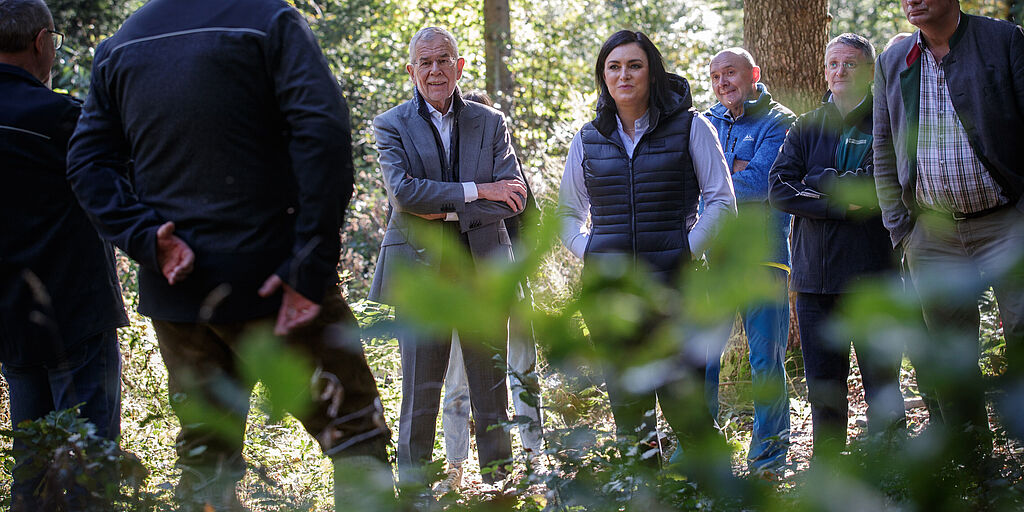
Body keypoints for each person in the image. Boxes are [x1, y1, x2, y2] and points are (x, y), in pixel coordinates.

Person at [65, 0, 391, 509]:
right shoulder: (270, 21)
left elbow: (87, 162)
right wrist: (307, 267)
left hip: (180, 295)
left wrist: (147, 239)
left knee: (206, 457)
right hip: (276, 286)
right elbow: (323, 132)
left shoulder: (123, 42)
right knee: (355, 434)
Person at [558, 30, 736, 467]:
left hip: (677, 293)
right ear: (603, 77)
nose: (624, 75)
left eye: (634, 65)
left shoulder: (692, 127)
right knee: (631, 419)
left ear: (652, 73)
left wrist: (684, 249)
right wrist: (589, 250)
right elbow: (567, 212)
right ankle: (646, 494)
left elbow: (721, 201)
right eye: (614, 67)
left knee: (687, 412)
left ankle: (715, 492)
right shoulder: (587, 138)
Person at [368, 26, 527, 487]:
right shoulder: (390, 124)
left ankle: (499, 486)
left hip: (484, 269)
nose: (435, 70)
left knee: (491, 388)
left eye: (444, 60)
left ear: (459, 67)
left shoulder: (490, 121)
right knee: (420, 390)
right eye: (426, 62)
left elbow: (514, 197)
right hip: (419, 274)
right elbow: (404, 195)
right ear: (411, 70)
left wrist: (440, 207)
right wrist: (479, 191)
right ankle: (414, 488)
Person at [873, 0, 1024, 466]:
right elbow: (883, 143)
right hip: (931, 232)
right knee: (948, 351)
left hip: (1008, 220)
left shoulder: (1003, 41)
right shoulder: (893, 60)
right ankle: (974, 463)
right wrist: (902, 229)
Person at [0, 1, 127, 509]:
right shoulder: (63, 118)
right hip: (76, 316)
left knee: (31, 470)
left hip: (10, 321)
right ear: (41, 42)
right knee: (88, 472)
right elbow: (123, 186)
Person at [770, 33, 906, 461]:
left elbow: (880, 186)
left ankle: (891, 472)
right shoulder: (806, 125)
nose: (840, 71)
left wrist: (816, 180)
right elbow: (780, 188)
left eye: (850, 64)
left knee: (882, 383)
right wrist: (837, 204)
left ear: (869, 72)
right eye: (833, 64)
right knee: (824, 388)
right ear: (825, 72)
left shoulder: (887, 120)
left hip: (873, 276)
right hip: (815, 280)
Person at [438, 89, 544, 492]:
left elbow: (533, 225)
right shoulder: (447, 175)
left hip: (509, 285)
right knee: (457, 379)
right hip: (459, 291)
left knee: (522, 370)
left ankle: (534, 455)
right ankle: (455, 465)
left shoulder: (508, 167)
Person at [703, 47, 796, 477]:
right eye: (715, 76)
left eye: (731, 73)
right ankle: (700, 451)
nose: (723, 83)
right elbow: (691, 183)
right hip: (714, 259)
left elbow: (761, 183)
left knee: (765, 362)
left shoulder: (780, 121)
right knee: (703, 357)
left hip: (764, 259)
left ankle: (769, 457)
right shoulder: (706, 122)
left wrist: (716, 181)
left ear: (753, 74)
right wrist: (733, 170)